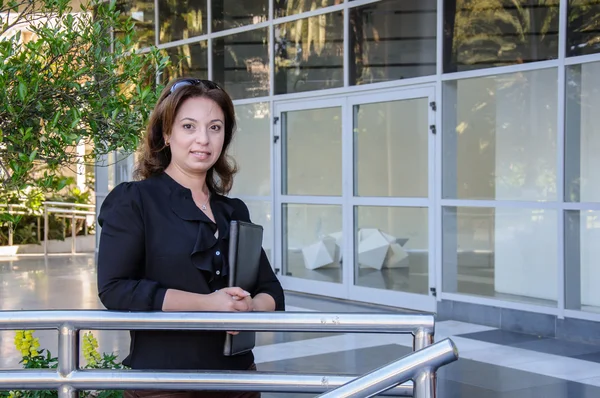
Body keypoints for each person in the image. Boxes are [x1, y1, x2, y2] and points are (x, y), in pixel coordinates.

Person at [96, 77, 285, 398]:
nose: (203, 139)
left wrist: (250, 307)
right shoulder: (135, 200)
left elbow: (272, 291)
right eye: (188, 126)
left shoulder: (232, 211)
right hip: (164, 384)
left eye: (215, 127)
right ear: (166, 133)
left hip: (238, 382)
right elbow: (114, 289)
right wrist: (207, 305)